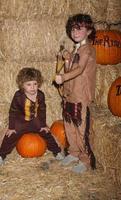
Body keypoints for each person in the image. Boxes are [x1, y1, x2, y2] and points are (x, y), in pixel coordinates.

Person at [55, 13, 96, 173]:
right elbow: (70, 67)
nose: (75, 32)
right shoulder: (76, 49)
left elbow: (79, 69)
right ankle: (73, 152)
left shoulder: (87, 50)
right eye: (73, 29)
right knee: (69, 124)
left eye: (80, 29)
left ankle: (86, 159)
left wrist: (63, 77)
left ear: (89, 30)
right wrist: (66, 58)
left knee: (81, 127)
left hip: (81, 95)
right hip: (70, 94)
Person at [0, 67, 64, 165]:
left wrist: (43, 125)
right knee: (10, 136)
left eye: (35, 84)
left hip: (35, 121)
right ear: (22, 85)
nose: (33, 87)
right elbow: (12, 111)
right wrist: (12, 127)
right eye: (28, 84)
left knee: (47, 133)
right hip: (21, 122)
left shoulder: (41, 95)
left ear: (39, 83)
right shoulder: (18, 96)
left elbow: (42, 110)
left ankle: (57, 151)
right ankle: (2, 155)